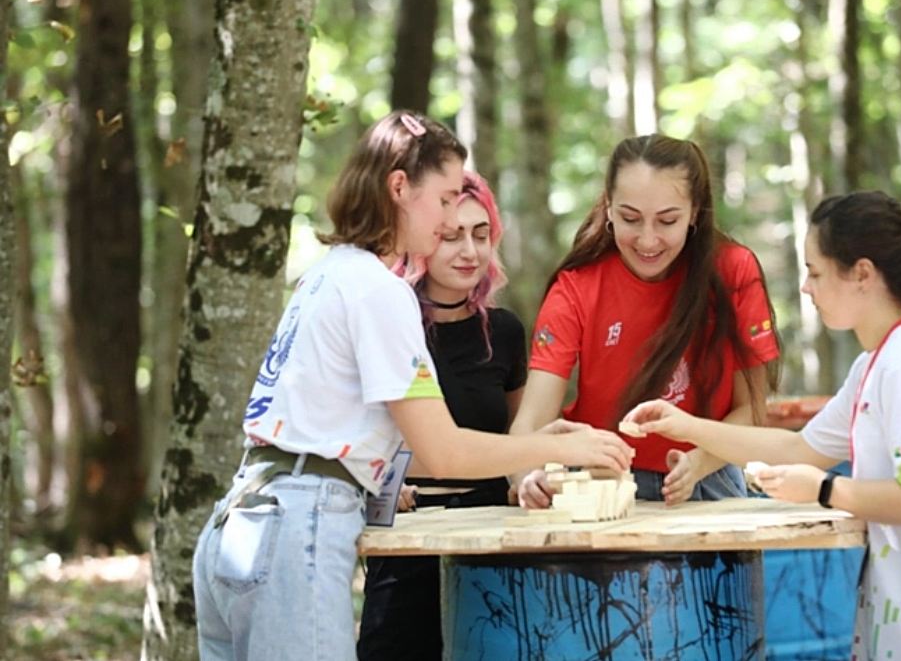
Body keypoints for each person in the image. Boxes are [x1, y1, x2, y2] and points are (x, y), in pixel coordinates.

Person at [191, 111, 633, 661]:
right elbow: (444, 452)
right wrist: (562, 448)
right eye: (445, 199)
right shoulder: (381, 291)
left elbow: (378, 443)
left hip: (241, 522)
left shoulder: (325, 275)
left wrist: (539, 444)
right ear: (399, 187)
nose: (450, 217)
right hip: (297, 527)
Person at [624, 190, 901, 659]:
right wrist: (686, 426)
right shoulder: (877, 362)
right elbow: (799, 449)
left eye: (814, 272)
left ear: (862, 274)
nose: (805, 288)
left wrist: (824, 489)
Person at [510, 133, 780, 507]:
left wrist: (699, 462)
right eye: (630, 219)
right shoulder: (576, 287)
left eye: (667, 220)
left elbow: (753, 407)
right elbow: (532, 419)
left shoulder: (733, 270)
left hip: (708, 479)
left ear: (694, 212)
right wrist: (527, 476)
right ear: (608, 207)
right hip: (600, 488)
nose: (648, 240)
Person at [357, 172, 523, 661]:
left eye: (480, 234)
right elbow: (359, 431)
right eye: (451, 236)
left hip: (491, 539)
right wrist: (383, 479)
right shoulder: (388, 321)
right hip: (405, 540)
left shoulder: (506, 332)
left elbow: (519, 438)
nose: (469, 251)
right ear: (425, 236)